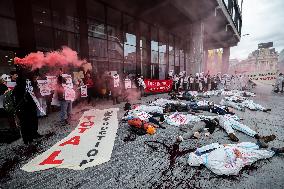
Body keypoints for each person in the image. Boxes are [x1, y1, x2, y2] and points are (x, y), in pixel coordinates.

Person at [187, 141, 283, 175]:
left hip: (231, 149)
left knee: (242, 145)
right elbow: (233, 170)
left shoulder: (205, 154)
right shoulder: (213, 166)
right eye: (197, 154)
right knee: (256, 155)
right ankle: (274, 151)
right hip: (239, 156)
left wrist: (223, 145)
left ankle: (257, 145)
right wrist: (239, 157)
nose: (198, 153)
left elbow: (211, 146)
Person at [13, 77, 41, 144]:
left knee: (23, 125)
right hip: (27, 110)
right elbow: (30, 99)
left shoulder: (15, 89)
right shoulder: (24, 89)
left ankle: (26, 139)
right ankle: (30, 139)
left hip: (21, 110)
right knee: (28, 124)